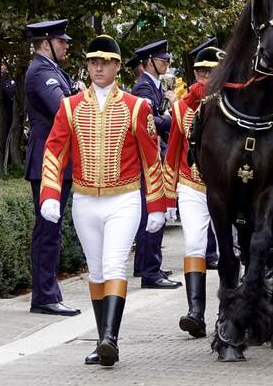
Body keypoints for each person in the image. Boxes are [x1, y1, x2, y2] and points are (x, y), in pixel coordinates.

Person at [39, 34, 167, 367]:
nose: (98, 67)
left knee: (113, 264)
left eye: (105, 62)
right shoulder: (70, 106)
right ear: (87, 65)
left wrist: (157, 205)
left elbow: (151, 158)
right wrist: (51, 194)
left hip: (124, 198)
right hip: (83, 199)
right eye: (93, 61)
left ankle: (111, 338)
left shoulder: (136, 106)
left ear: (117, 67)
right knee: (96, 271)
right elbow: (55, 150)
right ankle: (101, 340)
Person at [163, 43, 224, 338]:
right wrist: (167, 197)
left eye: (211, 72)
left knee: (230, 248)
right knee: (194, 245)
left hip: (226, 188)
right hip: (191, 185)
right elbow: (173, 152)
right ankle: (195, 313)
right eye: (200, 71)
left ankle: (229, 309)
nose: (204, 77)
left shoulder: (231, 104)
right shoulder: (180, 107)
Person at [23, 19, 81, 316]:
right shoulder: (41, 71)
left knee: (51, 229)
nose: (66, 45)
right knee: (48, 229)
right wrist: (81, 95)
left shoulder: (51, 70)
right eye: (61, 42)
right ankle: (44, 296)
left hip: (55, 159)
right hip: (48, 160)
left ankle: (47, 293)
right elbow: (64, 109)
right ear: (46, 44)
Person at [131, 39, 181, 289]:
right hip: (149, 156)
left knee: (150, 212)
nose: (166, 64)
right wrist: (171, 119)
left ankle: (147, 264)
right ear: (148, 62)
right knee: (153, 210)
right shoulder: (143, 88)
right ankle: (150, 269)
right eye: (162, 60)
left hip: (153, 152)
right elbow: (147, 120)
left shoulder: (153, 86)